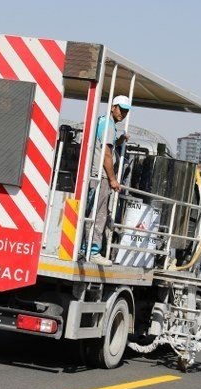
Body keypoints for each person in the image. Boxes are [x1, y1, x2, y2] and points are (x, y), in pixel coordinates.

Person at [85, 95, 131, 265]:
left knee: (93, 211)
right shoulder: (108, 125)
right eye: (121, 109)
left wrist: (120, 141)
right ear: (113, 107)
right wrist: (112, 179)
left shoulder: (104, 122)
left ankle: (87, 249)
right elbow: (106, 154)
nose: (123, 113)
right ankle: (92, 251)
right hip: (101, 176)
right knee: (99, 214)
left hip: (98, 174)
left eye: (126, 111)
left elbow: (106, 146)